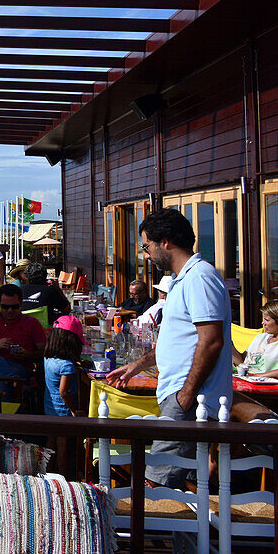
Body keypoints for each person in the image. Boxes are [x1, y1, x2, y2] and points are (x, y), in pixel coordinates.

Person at [107, 208, 232, 488]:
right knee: (185, 489)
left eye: (146, 246)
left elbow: (211, 341)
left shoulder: (200, 278)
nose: (145, 254)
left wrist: (185, 396)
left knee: (154, 488)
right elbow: (180, 340)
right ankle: (190, 534)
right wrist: (139, 364)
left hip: (189, 401)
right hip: (183, 399)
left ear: (165, 242)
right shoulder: (183, 280)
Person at [0, 284, 47, 395]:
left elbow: (44, 351)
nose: (9, 310)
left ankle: (1, 410)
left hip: (18, 367)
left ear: (21, 304)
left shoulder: (32, 323)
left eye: (14, 307)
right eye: (5, 307)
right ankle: (10, 378)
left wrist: (28, 354)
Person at [43, 316, 84, 416]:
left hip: (49, 407)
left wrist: (77, 363)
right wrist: (74, 410)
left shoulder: (48, 358)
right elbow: (64, 392)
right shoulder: (66, 366)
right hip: (64, 412)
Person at [234, 301, 278, 378]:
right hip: (248, 380)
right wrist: (229, 346)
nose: (263, 323)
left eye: (267, 320)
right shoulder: (260, 338)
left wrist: (259, 376)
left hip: (266, 385)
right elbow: (244, 362)